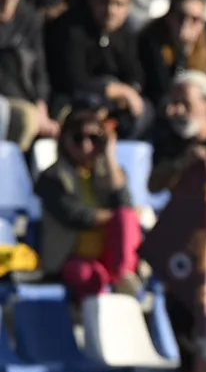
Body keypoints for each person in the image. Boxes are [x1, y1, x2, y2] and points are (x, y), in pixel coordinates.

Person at [34, 103, 142, 300]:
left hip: (109, 256)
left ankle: (122, 278)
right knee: (89, 276)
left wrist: (109, 156)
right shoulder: (50, 178)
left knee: (126, 216)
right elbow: (75, 216)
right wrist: (113, 217)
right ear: (64, 140)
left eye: (94, 138)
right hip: (71, 259)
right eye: (77, 138)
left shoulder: (110, 173)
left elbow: (124, 204)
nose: (86, 146)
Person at [46, 0, 147, 137]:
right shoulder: (71, 28)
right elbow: (73, 80)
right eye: (105, 2)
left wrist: (126, 93)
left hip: (114, 106)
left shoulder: (126, 32)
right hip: (73, 102)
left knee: (143, 111)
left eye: (119, 4)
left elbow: (136, 74)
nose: (111, 10)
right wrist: (116, 91)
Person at [0, 0, 57, 149]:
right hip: (7, 101)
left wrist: (41, 106)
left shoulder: (29, 19)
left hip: (27, 100)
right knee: (23, 118)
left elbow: (39, 69)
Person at [137, 0, 206, 106]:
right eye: (181, 17)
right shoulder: (151, 43)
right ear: (169, 18)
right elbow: (159, 90)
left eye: (195, 19)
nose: (186, 24)